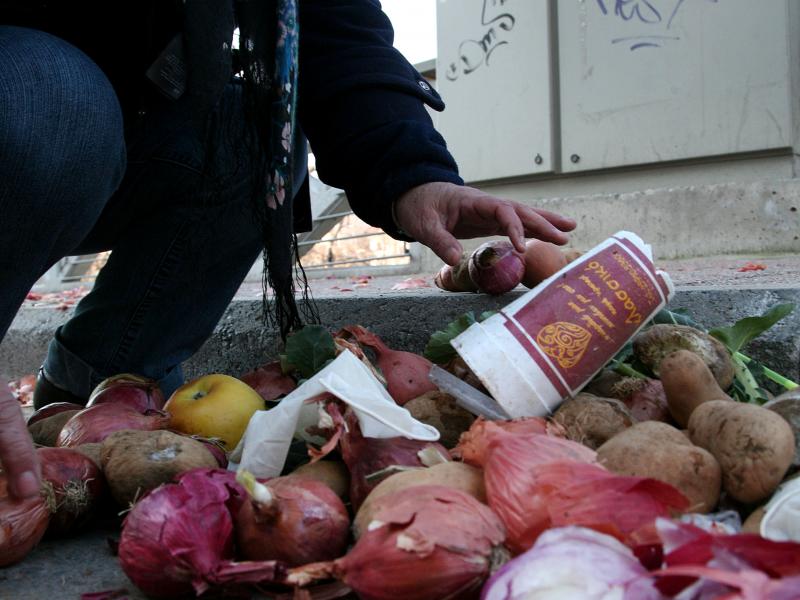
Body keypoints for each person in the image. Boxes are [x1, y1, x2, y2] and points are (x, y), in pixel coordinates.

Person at [0, 0, 575, 500]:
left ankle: (97, 397)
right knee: (56, 94)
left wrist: (411, 177)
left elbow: (333, 25)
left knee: (256, 137)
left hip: (129, 129)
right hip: (33, 107)